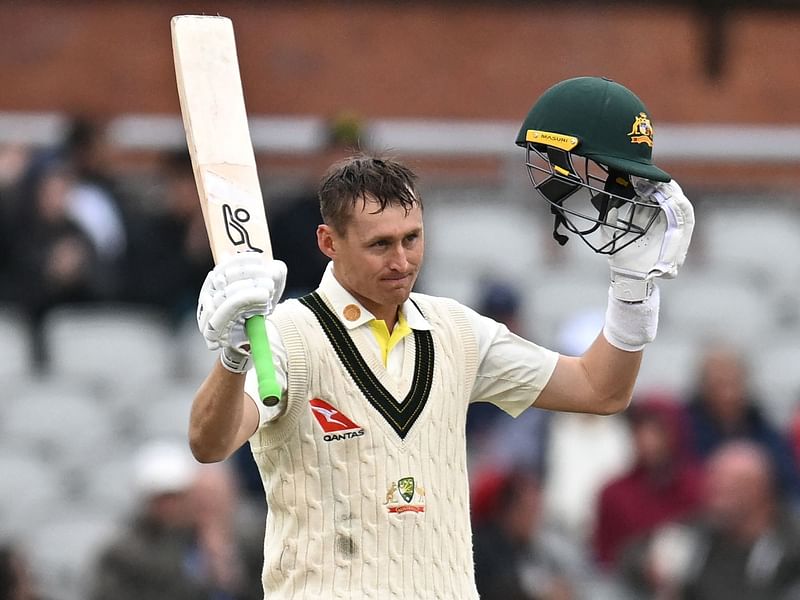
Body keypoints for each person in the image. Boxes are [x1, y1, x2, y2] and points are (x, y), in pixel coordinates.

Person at [188, 76, 695, 598]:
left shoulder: (456, 330)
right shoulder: (287, 334)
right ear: (328, 242)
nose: (402, 261)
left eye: (412, 238)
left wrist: (633, 288)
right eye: (380, 244)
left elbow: (600, 390)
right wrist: (232, 357)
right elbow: (211, 443)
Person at [619, 441, 800, 599]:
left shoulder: (790, 542)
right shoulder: (698, 532)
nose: (717, 498)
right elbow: (633, 555)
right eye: (715, 485)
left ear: (760, 489)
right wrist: (650, 567)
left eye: (730, 488)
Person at [593, 393, 704, 568]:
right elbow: (604, 559)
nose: (647, 440)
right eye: (640, 430)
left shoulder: (700, 488)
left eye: (657, 431)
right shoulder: (613, 493)